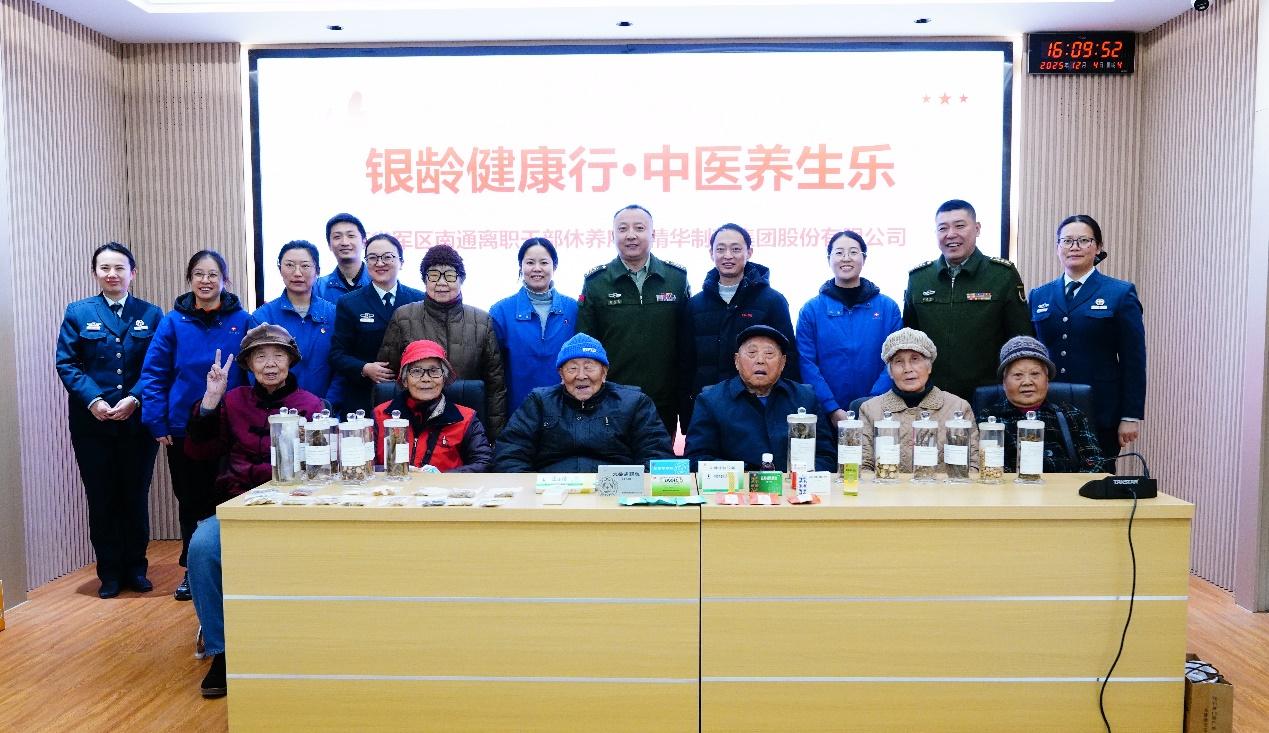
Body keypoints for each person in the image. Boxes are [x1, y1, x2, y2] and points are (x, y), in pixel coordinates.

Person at [184, 323, 325, 699]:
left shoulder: (313, 405)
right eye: (260, 356)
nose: (270, 364)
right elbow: (198, 452)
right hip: (239, 505)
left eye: (278, 355)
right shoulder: (232, 402)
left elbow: (326, 465)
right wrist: (210, 401)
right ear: (247, 364)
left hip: (295, 507)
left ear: (291, 361)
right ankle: (222, 651)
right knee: (202, 548)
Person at [139, 250, 254, 601]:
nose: (206, 280)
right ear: (190, 279)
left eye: (213, 274)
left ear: (225, 280)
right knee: (191, 500)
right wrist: (156, 420)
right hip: (183, 427)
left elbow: (253, 371)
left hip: (232, 427)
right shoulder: (173, 322)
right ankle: (194, 570)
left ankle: (236, 568)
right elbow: (154, 374)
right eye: (199, 274)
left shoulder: (243, 320)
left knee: (231, 497)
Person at [56, 242, 164, 599]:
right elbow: (67, 363)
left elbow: (157, 366)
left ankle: (136, 569)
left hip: (137, 422)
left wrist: (135, 398)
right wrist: (94, 400)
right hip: (93, 424)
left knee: (134, 496)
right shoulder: (78, 312)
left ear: (133, 273)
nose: (112, 274)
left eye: (119, 268)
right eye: (105, 268)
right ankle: (110, 573)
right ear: (95, 273)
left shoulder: (151, 314)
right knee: (101, 498)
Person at [1028, 214, 1145, 464]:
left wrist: (1130, 415)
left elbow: (1133, 360)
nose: (1075, 247)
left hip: (1100, 411)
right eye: (1067, 241)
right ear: (1058, 247)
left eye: (1083, 240)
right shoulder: (1039, 296)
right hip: (1047, 408)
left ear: (1098, 247)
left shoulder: (1119, 293)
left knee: (1096, 482)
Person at [576, 204, 691, 438]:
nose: (631, 235)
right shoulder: (596, 282)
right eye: (623, 229)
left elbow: (687, 343)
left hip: (664, 400)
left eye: (639, 228)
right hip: (611, 400)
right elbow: (586, 345)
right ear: (613, 235)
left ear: (653, 234)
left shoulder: (676, 279)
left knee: (659, 460)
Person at [902, 199, 1033, 401]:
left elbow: (1021, 339)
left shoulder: (1002, 275)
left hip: (988, 395)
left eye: (960, 226)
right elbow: (910, 340)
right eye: (943, 228)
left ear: (977, 229)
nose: (951, 234)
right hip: (931, 395)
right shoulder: (919, 279)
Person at [377, 244, 508, 437]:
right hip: (414, 425)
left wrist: (495, 437)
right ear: (424, 280)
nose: (441, 282)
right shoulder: (403, 317)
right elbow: (386, 380)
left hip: (467, 426)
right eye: (433, 275)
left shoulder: (481, 321)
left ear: (461, 279)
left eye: (450, 275)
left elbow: (495, 386)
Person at [493, 333, 674, 472]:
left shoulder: (634, 403)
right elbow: (510, 453)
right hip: (551, 496)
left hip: (614, 495)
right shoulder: (539, 402)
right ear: (561, 375)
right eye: (572, 368)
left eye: (589, 367)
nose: (581, 376)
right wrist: (530, 493)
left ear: (604, 372)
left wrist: (635, 490)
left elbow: (656, 454)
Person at [681, 223, 798, 428]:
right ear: (711, 253)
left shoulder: (772, 301)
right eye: (720, 249)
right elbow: (685, 362)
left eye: (736, 249)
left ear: (749, 252)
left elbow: (788, 359)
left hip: (759, 407)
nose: (728, 255)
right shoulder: (695, 305)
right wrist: (686, 412)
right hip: (707, 409)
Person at [685, 325, 834, 472]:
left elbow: (826, 456)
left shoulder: (805, 397)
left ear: (782, 363)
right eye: (752, 353)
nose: (760, 360)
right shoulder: (711, 400)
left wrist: (797, 477)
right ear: (737, 361)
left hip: (794, 484)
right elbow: (697, 458)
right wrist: (746, 475)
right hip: (737, 486)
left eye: (769, 354)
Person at [797, 230, 902, 426]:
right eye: (839, 253)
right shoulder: (811, 310)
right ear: (829, 259)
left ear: (864, 258)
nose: (846, 258)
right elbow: (806, 363)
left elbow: (895, 359)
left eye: (853, 252)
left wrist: (871, 404)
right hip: (826, 414)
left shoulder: (888, 308)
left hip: (879, 411)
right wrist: (831, 408)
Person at [327, 233, 424, 417]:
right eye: (372, 258)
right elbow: (337, 355)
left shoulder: (419, 299)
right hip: (364, 398)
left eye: (387, 257)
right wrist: (364, 368)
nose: (380, 263)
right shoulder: (349, 303)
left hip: (411, 396)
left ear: (401, 262)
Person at [858, 328, 977, 472]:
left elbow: (973, 466)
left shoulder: (959, 408)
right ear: (890, 372)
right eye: (898, 361)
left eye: (915, 359)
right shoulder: (870, 410)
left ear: (929, 366)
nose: (907, 369)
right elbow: (863, 467)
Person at [982, 336, 1104, 473]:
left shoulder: (1071, 415)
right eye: (1018, 375)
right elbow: (992, 471)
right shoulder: (989, 420)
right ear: (1004, 382)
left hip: (1068, 486)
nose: (1027, 382)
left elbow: (1096, 463)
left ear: (1047, 379)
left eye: (1035, 374)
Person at [372, 340, 492, 472]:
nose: (426, 379)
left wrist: (442, 478)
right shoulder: (380, 415)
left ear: (444, 378)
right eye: (416, 371)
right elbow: (364, 465)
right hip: (393, 485)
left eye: (434, 371)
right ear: (405, 380)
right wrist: (399, 471)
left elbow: (484, 463)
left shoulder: (466, 419)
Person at [489, 237, 578, 414]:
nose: (537, 268)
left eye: (544, 262)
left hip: (567, 410)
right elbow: (493, 370)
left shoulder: (573, 309)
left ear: (554, 266)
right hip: (518, 411)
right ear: (520, 266)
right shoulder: (501, 311)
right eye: (530, 262)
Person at [252, 240, 336, 399]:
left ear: (317, 271)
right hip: (278, 407)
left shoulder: (334, 314)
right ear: (280, 269)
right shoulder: (263, 317)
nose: (297, 273)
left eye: (305, 266)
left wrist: (330, 403)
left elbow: (342, 366)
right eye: (289, 265)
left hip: (326, 407)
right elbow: (255, 368)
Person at [313, 212, 371, 304]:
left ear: (364, 242)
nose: (345, 242)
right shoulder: (318, 288)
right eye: (337, 237)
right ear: (329, 245)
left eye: (351, 236)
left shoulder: (378, 281)